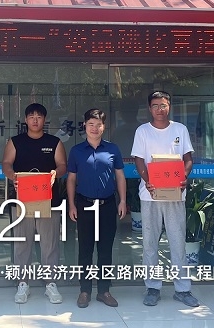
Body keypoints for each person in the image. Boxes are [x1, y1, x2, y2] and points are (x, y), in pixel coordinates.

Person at [131, 90, 199, 308]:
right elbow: (139, 160)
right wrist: (147, 181)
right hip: (149, 195)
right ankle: (152, 288)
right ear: (149, 108)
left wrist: (184, 177)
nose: (159, 109)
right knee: (150, 243)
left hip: (175, 194)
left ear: (169, 106)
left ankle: (183, 289)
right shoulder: (143, 131)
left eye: (163, 105)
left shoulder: (180, 129)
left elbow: (188, 159)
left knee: (177, 242)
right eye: (155, 105)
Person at [1, 103, 67, 304]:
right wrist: (13, 176)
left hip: (49, 201)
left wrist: (56, 173)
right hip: (22, 200)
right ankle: (23, 283)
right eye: (31, 116)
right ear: (26, 119)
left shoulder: (54, 142)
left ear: (44, 119)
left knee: (50, 244)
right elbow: (6, 164)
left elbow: (62, 165)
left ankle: (50, 283)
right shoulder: (16, 142)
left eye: (39, 116)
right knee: (22, 243)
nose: (35, 120)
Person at [66, 108, 127, 308]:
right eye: (90, 124)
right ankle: (84, 291)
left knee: (105, 249)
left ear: (104, 127)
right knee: (85, 249)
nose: (94, 128)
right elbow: (71, 179)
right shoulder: (76, 151)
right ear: (85, 126)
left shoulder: (112, 149)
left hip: (107, 205)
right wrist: (72, 204)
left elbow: (120, 176)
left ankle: (104, 291)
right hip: (84, 204)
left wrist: (122, 200)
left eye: (98, 125)